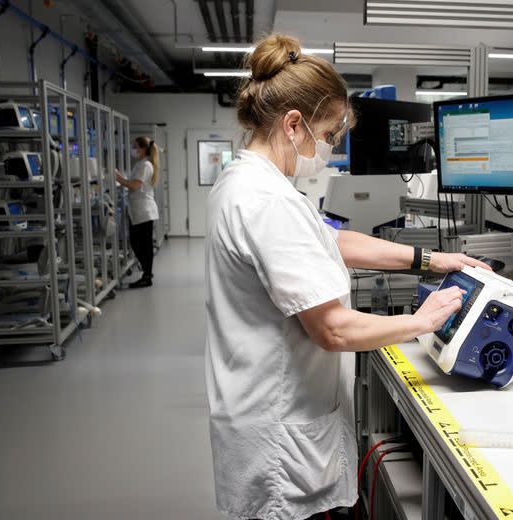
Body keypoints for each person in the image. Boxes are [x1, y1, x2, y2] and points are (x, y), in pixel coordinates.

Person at [204, 34, 491, 520]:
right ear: (294, 124)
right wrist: (421, 322)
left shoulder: (248, 180)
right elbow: (333, 328)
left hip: (260, 407)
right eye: (331, 134)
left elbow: (332, 241)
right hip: (281, 435)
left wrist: (429, 260)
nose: (331, 148)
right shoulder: (268, 201)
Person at [116, 137, 160, 288]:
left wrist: (119, 178)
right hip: (138, 209)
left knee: (141, 244)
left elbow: (135, 186)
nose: (133, 149)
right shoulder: (141, 164)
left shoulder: (146, 165)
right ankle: (147, 272)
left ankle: (147, 276)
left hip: (143, 210)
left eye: (135, 147)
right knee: (139, 243)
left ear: (143, 148)